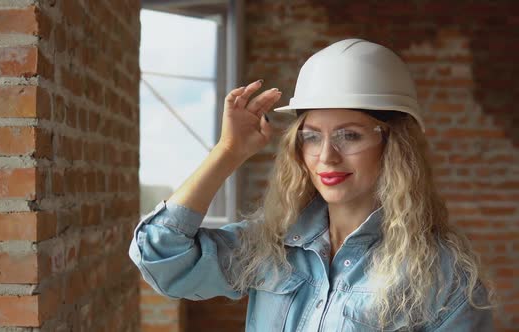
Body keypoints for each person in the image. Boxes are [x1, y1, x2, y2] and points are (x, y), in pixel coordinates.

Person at [129, 38, 496, 331]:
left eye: (349, 136)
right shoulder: (269, 245)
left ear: (394, 147)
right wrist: (228, 152)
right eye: (311, 137)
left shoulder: (445, 275)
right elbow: (162, 259)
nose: (327, 157)